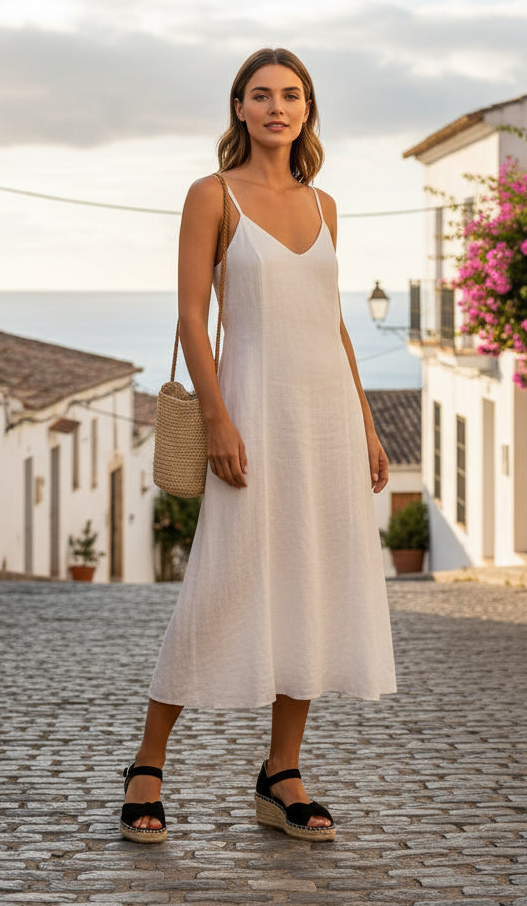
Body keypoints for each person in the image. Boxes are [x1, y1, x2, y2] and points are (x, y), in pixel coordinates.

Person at [120, 48, 397, 844]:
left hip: (326, 420)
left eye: (293, 95)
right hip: (251, 414)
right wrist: (217, 418)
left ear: (308, 110)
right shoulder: (212, 196)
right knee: (222, 583)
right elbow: (190, 318)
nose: (278, 107)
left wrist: (370, 425)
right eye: (262, 94)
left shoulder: (324, 204)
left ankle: (282, 772)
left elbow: (333, 323)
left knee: (313, 584)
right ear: (238, 107)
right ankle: (147, 761)